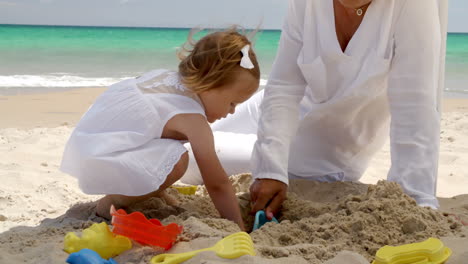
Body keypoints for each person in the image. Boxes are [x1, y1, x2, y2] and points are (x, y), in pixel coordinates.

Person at [180, 0, 448, 219]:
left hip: (323, 151)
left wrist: (416, 199)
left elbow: (415, 104)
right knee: (178, 125)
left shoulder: (413, 6)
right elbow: (284, 86)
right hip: (269, 110)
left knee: (186, 156)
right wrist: (270, 167)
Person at [60, 28, 261, 231]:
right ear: (209, 85)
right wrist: (239, 228)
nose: (233, 111)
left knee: (168, 144)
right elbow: (217, 184)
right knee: (178, 160)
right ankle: (112, 202)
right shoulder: (193, 121)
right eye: (232, 103)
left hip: (92, 142)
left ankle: (151, 189)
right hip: (103, 158)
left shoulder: (167, 78)